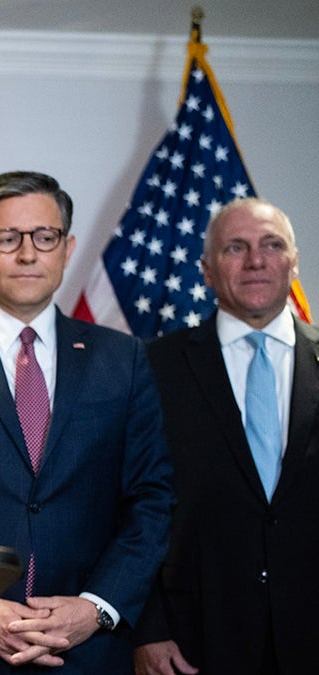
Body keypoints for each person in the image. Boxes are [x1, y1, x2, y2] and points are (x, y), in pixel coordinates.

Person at [0, 171, 173, 673]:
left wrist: (96, 607)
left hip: (87, 651)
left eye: (44, 237)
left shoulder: (125, 359)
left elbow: (152, 500)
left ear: (67, 248)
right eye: (7, 238)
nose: (28, 254)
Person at [132, 198, 319, 675]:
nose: (256, 261)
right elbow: (128, 502)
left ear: (293, 262)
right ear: (207, 271)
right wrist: (147, 628)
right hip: (196, 638)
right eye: (236, 248)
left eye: (271, 245)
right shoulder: (153, 367)